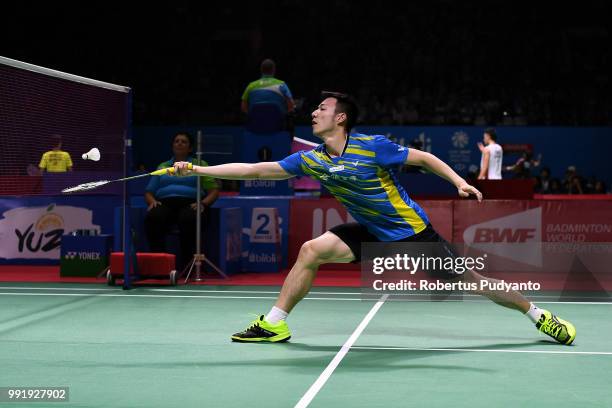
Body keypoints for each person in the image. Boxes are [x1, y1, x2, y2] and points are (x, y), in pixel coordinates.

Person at [173, 92, 576, 345]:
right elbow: (259, 170)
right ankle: (276, 322)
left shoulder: (372, 147)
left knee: (474, 283)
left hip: (411, 234)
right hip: (369, 231)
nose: (314, 113)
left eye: (322, 108)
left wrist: (458, 181)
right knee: (311, 250)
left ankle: (540, 317)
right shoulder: (311, 159)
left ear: (341, 118)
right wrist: (199, 170)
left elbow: (423, 158)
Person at [144, 132, 219, 270]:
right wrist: (152, 201)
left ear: (190, 148)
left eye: (183, 142)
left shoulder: (200, 164)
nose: (179, 143)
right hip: (165, 203)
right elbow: (149, 192)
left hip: (190, 203)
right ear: (172, 146)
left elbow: (214, 190)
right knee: (154, 217)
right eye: (176, 141)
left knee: (189, 218)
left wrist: (203, 203)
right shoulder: (162, 166)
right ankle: (158, 265)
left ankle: (188, 266)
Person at [241, 59, 295, 130]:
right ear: (274, 70)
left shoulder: (251, 86)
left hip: (256, 126)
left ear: (261, 70)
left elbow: (243, 108)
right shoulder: (281, 85)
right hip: (277, 126)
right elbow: (291, 106)